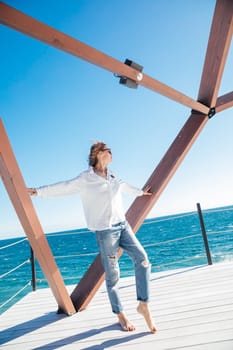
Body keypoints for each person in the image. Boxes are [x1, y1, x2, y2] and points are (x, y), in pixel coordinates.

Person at [28, 142, 156, 333]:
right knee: (113, 276)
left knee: (143, 259)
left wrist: (141, 192)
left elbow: (124, 186)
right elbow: (63, 187)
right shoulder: (85, 178)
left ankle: (143, 303)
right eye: (108, 150)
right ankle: (121, 315)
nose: (112, 152)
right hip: (106, 232)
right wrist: (38, 191)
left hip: (123, 226)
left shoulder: (113, 175)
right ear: (97, 154)